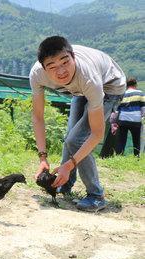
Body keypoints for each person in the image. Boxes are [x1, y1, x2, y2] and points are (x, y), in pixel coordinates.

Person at [30, 36, 126, 212]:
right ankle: (65, 184)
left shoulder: (89, 78)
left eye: (65, 62)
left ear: (73, 57)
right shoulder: (37, 75)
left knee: (76, 140)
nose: (60, 71)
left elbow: (96, 133)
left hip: (109, 87)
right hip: (78, 91)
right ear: (44, 68)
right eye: (52, 67)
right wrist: (42, 158)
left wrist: (69, 164)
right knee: (71, 138)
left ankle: (96, 196)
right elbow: (37, 117)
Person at [112, 77, 145, 156]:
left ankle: (119, 156)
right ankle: (136, 157)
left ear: (126, 85)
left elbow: (116, 111)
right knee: (136, 141)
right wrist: (142, 119)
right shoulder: (141, 93)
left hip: (123, 120)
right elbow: (144, 109)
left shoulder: (122, 94)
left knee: (121, 141)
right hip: (136, 121)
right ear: (135, 84)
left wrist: (113, 123)